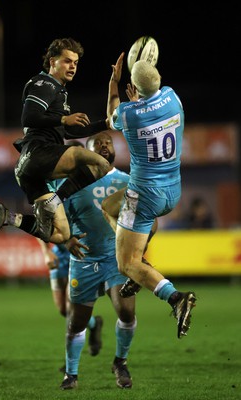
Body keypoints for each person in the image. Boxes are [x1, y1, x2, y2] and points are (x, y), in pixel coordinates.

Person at [101, 53, 196, 339]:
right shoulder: (173, 97)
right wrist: (141, 96)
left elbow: (111, 116)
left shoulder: (129, 114)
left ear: (135, 86)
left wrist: (114, 85)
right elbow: (153, 99)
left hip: (143, 195)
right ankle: (142, 268)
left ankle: (176, 298)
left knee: (126, 264)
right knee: (109, 206)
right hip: (173, 190)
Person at [0, 37, 110, 245]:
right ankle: (59, 197)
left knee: (61, 234)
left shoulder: (58, 90)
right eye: (67, 61)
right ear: (52, 61)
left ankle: (7, 217)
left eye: (76, 63)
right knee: (100, 163)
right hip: (39, 152)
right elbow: (29, 117)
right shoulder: (45, 84)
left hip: (28, 168)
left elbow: (68, 132)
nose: (73, 66)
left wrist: (106, 123)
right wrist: (63, 118)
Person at [58, 131, 136, 390]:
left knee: (126, 312)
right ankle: (71, 374)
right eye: (97, 144)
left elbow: (140, 219)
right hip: (84, 260)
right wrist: (67, 240)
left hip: (116, 259)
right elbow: (57, 222)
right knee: (77, 322)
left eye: (108, 143)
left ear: (114, 150)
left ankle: (120, 362)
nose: (104, 146)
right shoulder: (71, 185)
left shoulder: (128, 181)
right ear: (86, 153)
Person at [37, 239, 103, 372]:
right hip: (59, 256)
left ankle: (70, 365)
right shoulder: (55, 216)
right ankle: (94, 323)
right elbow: (39, 226)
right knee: (63, 309)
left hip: (80, 255)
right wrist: (46, 251)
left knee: (70, 307)